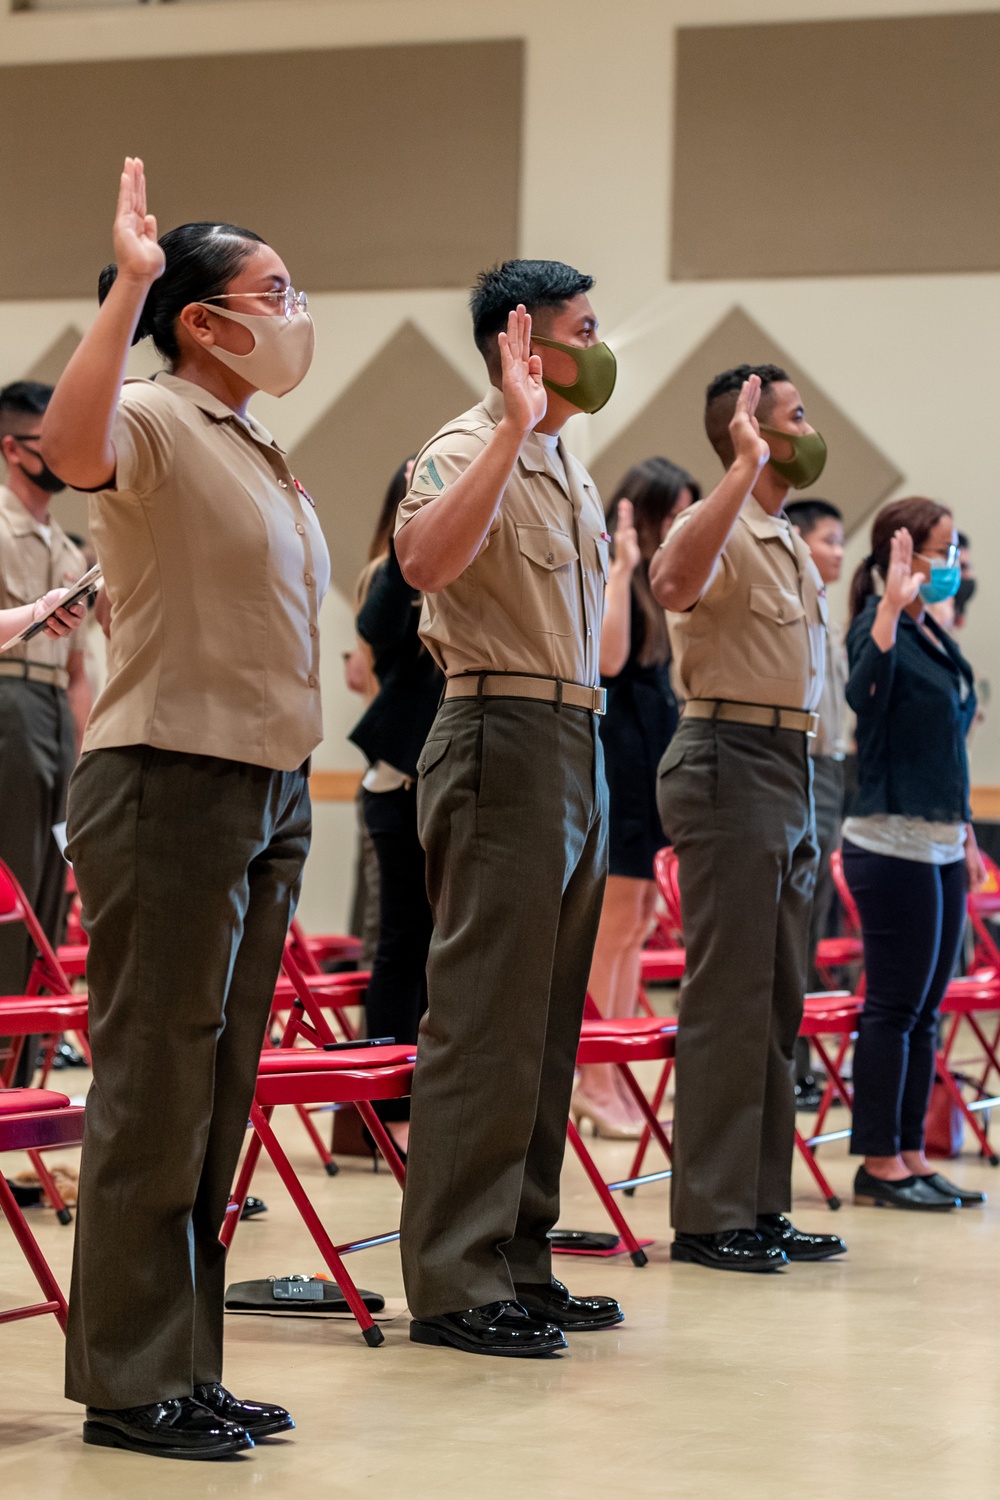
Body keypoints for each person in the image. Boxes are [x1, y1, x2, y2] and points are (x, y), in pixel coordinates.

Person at [38, 159, 329, 1460]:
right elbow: (69, 446)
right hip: (168, 776)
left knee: (219, 1086)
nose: (297, 306)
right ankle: (127, 1378)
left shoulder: (258, 443)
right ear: (204, 320)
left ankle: (188, 1363)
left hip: (268, 782)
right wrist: (131, 286)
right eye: (275, 290)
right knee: (155, 1086)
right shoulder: (152, 413)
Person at [394, 260, 623, 1356]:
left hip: (575, 737)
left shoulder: (567, 467)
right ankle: (452, 1276)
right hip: (497, 732)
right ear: (522, 342)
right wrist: (507, 432)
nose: (602, 342)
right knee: (485, 1021)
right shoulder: (461, 445)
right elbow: (425, 561)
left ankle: (517, 1259)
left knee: (543, 1026)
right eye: (585, 326)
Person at [650, 362, 847, 1272]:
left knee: (776, 999)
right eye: (794, 416)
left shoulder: (784, 538)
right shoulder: (720, 516)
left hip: (789, 764)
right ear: (750, 427)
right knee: (729, 997)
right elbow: (672, 584)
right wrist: (738, 469)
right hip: (727, 753)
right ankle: (709, 1213)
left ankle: (760, 1204)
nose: (810, 429)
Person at [843, 499, 985, 1211]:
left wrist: (963, 835)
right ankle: (877, 1161)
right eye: (942, 549)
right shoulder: (883, 625)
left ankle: (908, 1152)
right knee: (894, 1006)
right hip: (888, 841)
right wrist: (891, 609)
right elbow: (864, 694)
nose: (951, 563)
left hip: (936, 841)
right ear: (902, 555)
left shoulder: (934, 633)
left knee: (925, 1009)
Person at [574, 457, 698, 1137]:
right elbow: (609, 661)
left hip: (652, 756)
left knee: (640, 922)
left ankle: (614, 1073)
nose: (680, 525)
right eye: (672, 513)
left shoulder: (661, 581)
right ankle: (594, 1076)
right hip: (620, 757)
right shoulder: (614, 569)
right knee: (615, 928)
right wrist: (622, 565)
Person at [349, 456, 442, 1153]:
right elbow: (382, 643)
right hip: (399, 780)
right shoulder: (388, 573)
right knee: (401, 947)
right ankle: (389, 1113)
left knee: (442, 951)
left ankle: (432, 1103)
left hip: (447, 777)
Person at [0, 382, 91, 1073]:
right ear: (12, 448)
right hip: (7, 706)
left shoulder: (69, 544)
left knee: (47, 901)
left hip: (53, 711)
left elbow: (78, 670)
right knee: (10, 897)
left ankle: (26, 1080)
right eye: (44, 442)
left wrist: (87, 753)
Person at [784, 499, 849, 1100]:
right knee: (796, 921)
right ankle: (791, 1063)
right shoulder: (794, 600)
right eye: (830, 539)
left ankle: (800, 1060)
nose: (839, 552)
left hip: (830, 769)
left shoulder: (828, 605)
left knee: (816, 921)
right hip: (798, 764)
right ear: (799, 539)